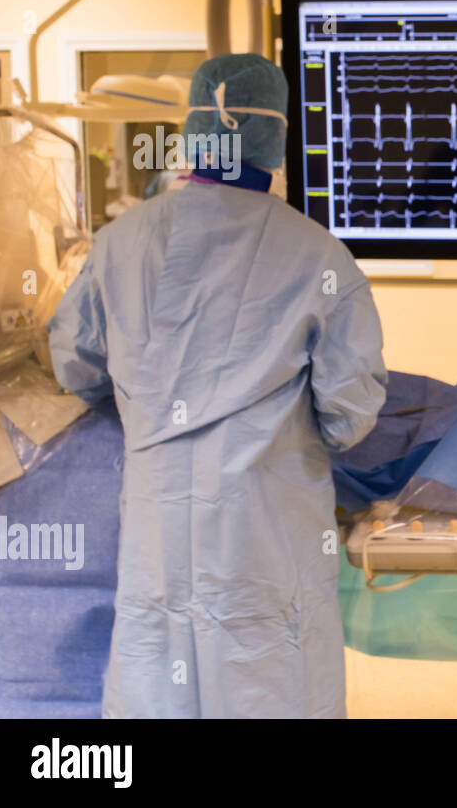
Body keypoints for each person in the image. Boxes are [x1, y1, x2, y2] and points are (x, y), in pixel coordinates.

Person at [48, 54, 388, 718]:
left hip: (159, 537)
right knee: (270, 682)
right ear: (278, 138)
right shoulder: (319, 257)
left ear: (193, 130)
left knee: (157, 679)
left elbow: (76, 365)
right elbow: (351, 416)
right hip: (264, 540)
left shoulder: (119, 243)